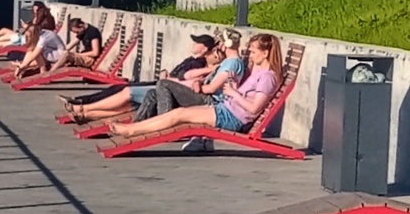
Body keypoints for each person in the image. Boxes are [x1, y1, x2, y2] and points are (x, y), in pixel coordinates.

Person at [113, 31, 286, 141]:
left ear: (265, 53)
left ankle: (132, 131)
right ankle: (133, 128)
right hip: (224, 109)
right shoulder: (258, 72)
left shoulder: (267, 77)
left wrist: (233, 93)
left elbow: (255, 108)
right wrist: (233, 86)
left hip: (231, 118)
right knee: (176, 113)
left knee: (178, 115)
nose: (250, 55)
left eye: (254, 52)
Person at [65, 29, 224, 128]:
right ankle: (85, 111)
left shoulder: (205, 65)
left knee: (126, 91)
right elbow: (185, 76)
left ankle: (84, 107)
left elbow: (187, 78)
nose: (193, 44)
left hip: (169, 90)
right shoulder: (200, 63)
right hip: (167, 86)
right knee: (126, 103)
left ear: (205, 49)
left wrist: (204, 73)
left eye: (197, 43)